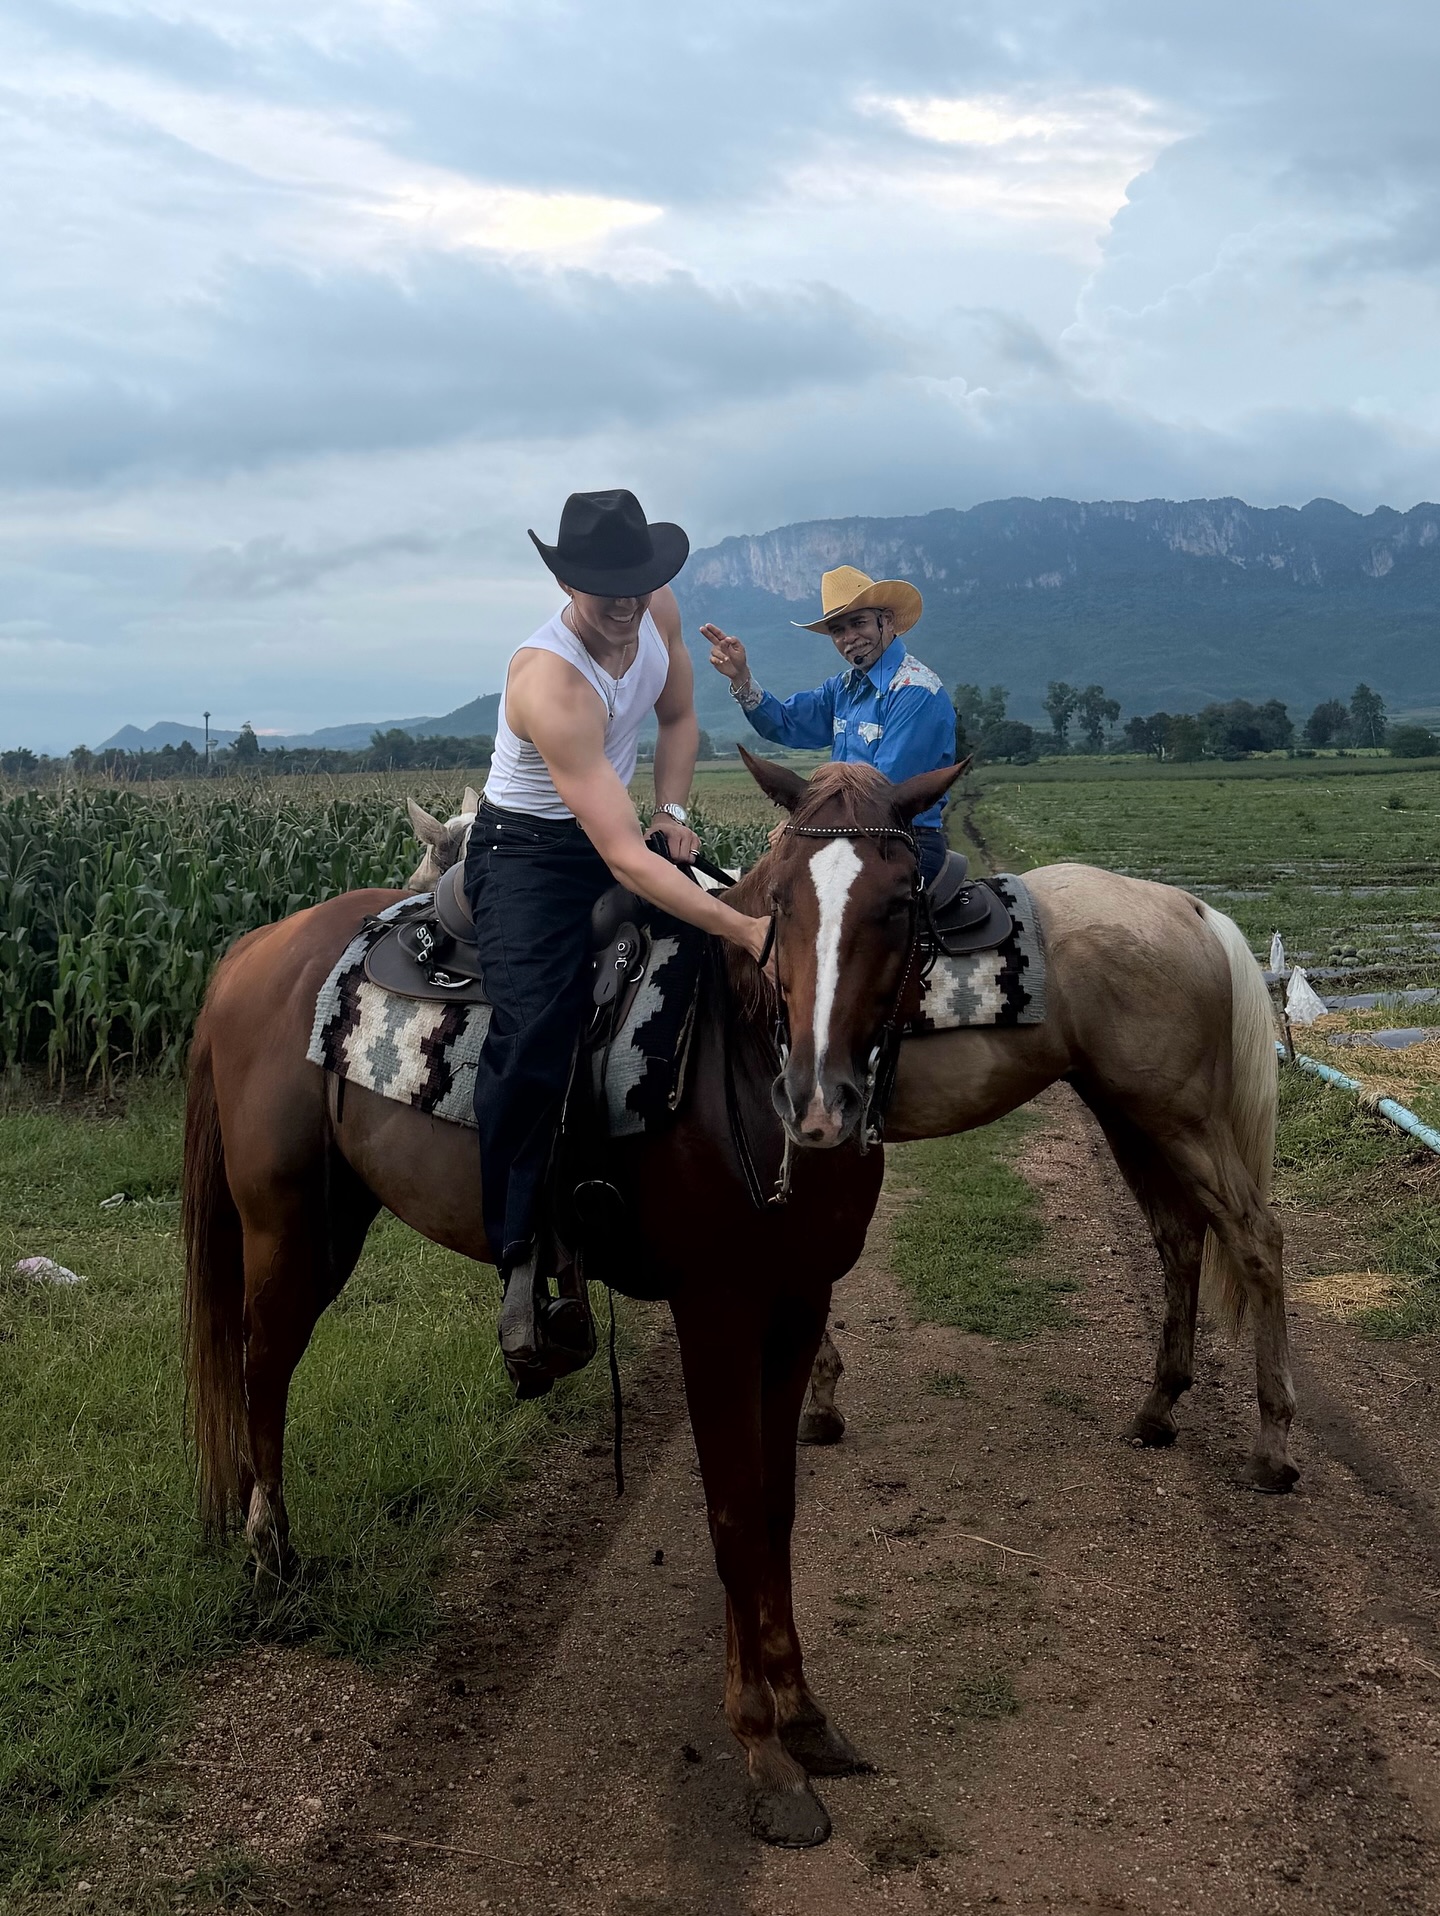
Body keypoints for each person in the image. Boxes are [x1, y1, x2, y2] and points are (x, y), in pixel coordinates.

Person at [466, 488, 770, 1396]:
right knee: (536, 1030)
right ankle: (517, 1250)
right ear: (567, 581)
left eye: (637, 584)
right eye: (606, 589)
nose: (626, 603)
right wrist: (746, 927)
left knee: (704, 975)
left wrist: (676, 811)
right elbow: (623, 862)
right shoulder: (550, 680)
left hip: (624, 828)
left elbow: (679, 720)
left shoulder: (656, 610)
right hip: (530, 854)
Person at [704, 566, 957, 886]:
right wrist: (741, 677)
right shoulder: (843, 688)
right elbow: (785, 723)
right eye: (838, 630)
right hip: (845, 833)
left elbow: (883, 788)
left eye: (859, 623)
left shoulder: (916, 692)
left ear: (888, 621)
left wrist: (805, 819)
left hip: (903, 840)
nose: (849, 638)